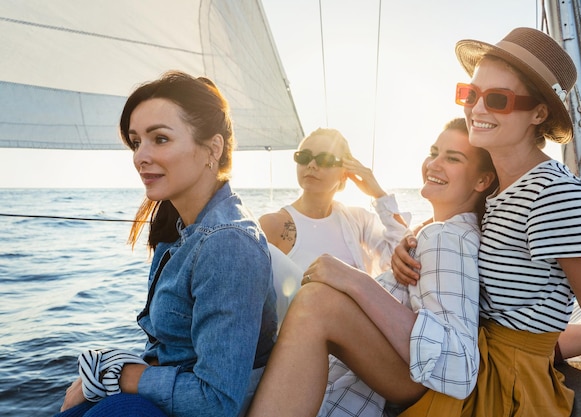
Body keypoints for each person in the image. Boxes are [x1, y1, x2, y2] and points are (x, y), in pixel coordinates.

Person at [392, 27, 581, 416]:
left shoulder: (557, 196)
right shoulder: (498, 189)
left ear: (539, 113)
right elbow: (465, 232)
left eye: (498, 99)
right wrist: (413, 239)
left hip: (499, 384)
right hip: (469, 358)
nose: (476, 109)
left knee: (327, 301)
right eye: (469, 94)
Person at [55, 71, 277, 417]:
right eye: (136, 141)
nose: (140, 156)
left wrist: (119, 375)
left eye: (159, 139)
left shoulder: (227, 244)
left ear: (212, 149)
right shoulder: (180, 226)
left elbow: (216, 401)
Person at [245, 117, 498, 417]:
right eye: (433, 152)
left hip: (386, 374)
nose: (433, 163)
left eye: (452, 158)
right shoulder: (442, 234)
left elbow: (456, 366)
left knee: (315, 300)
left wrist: (355, 278)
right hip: (330, 363)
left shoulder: (436, 236)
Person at [260, 127, 410, 321]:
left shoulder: (356, 219)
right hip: (301, 340)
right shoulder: (273, 224)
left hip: (354, 336)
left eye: (325, 159)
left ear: (345, 172)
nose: (312, 165)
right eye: (304, 157)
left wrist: (378, 194)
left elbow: (400, 254)